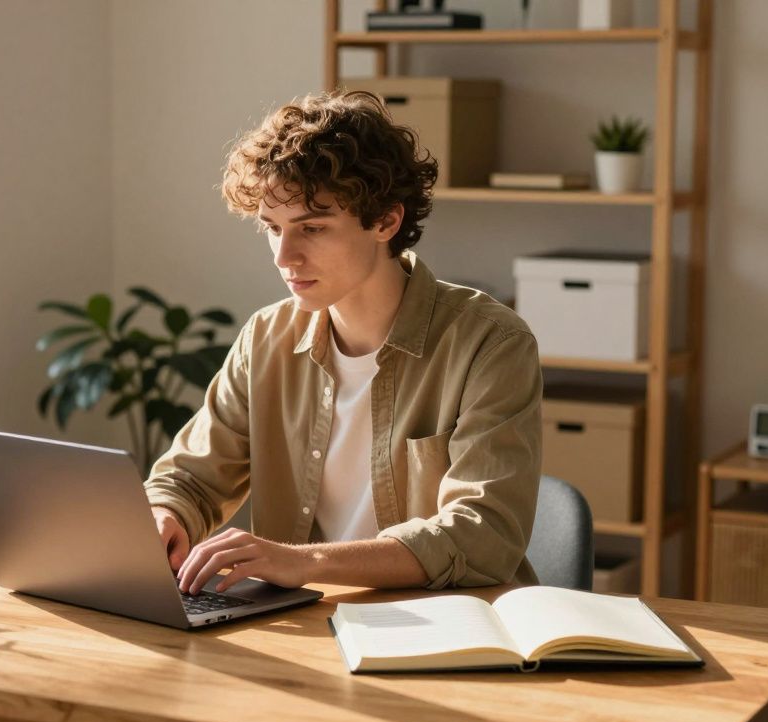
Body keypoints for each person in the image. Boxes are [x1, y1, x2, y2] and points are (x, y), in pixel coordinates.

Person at [144, 89, 542, 597]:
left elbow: (482, 535)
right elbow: (190, 480)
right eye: (273, 228)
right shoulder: (266, 338)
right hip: (301, 624)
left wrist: (303, 562)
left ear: (386, 222)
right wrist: (165, 516)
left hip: (446, 631)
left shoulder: (490, 342)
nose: (284, 257)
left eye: (312, 228)